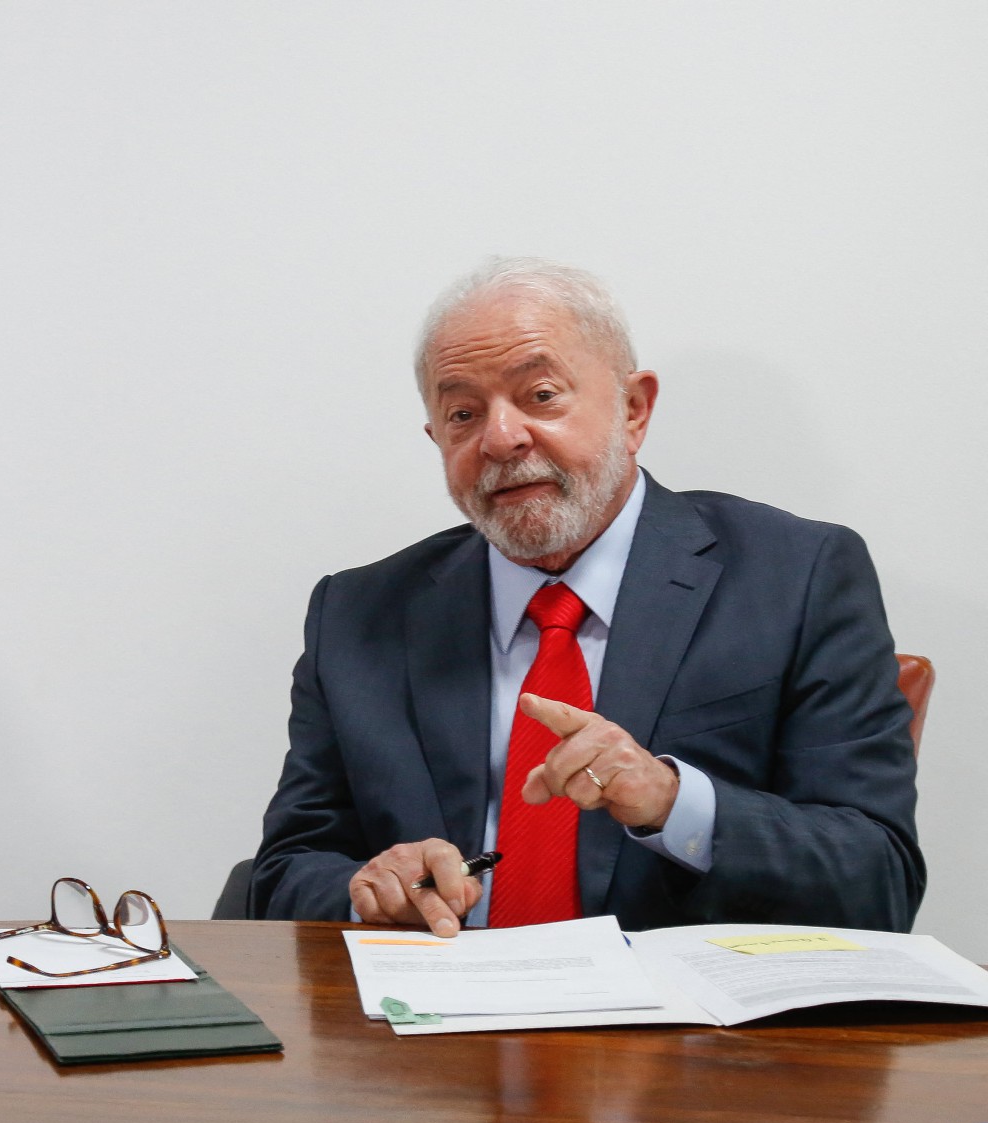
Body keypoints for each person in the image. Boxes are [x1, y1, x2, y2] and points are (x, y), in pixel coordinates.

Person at [250, 258, 921, 935]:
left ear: (634, 410)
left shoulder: (795, 577)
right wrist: (367, 892)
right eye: (463, 413)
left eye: (541, 395)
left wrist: (672, 802)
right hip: (437, 996)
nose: (500, 438)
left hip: (676, 999)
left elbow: (877, 878)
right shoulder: (358, 615)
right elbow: (281, 877)